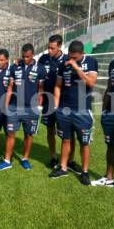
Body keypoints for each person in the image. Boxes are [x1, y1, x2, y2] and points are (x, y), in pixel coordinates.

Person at [49, 40, 98, 186]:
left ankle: (84, 171)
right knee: (65, 139)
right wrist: (56, 107)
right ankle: (63, 167)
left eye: (75, 57)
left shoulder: (90, 62)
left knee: (84, 142)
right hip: (64, 109)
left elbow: (91, 83)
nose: (71, 59)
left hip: (82, 110)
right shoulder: (63, 64)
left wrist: (76, 67)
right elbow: (58, 86)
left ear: (82, 53)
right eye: (70, 56)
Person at [0, 43, 46, 170]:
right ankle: (7, 161)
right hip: (14, 107)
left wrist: (39, 105)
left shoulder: (40, 68)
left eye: (28, 57)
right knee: (11, 133)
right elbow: (10, 87)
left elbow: (41, 89)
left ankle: (25, 158)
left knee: (28, 135)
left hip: (31, 108)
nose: (25, 59)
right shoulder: (15, 67)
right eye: (23, 56)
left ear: (33, 55)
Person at [38, 35, 80, 172]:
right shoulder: (43, 59)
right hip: (48, 102)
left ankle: (70, 160)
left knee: (68, 133)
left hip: (64, 103)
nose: (49, 50)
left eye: (52, 48)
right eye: (48, 47)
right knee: (50, 130)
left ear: (60, 46)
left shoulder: (67, 60)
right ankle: (53, 157)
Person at [91, 31, 114, 187]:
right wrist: (104, 110)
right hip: (111, 113)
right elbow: (109, 87)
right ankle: (109, 178)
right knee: (111, 145)